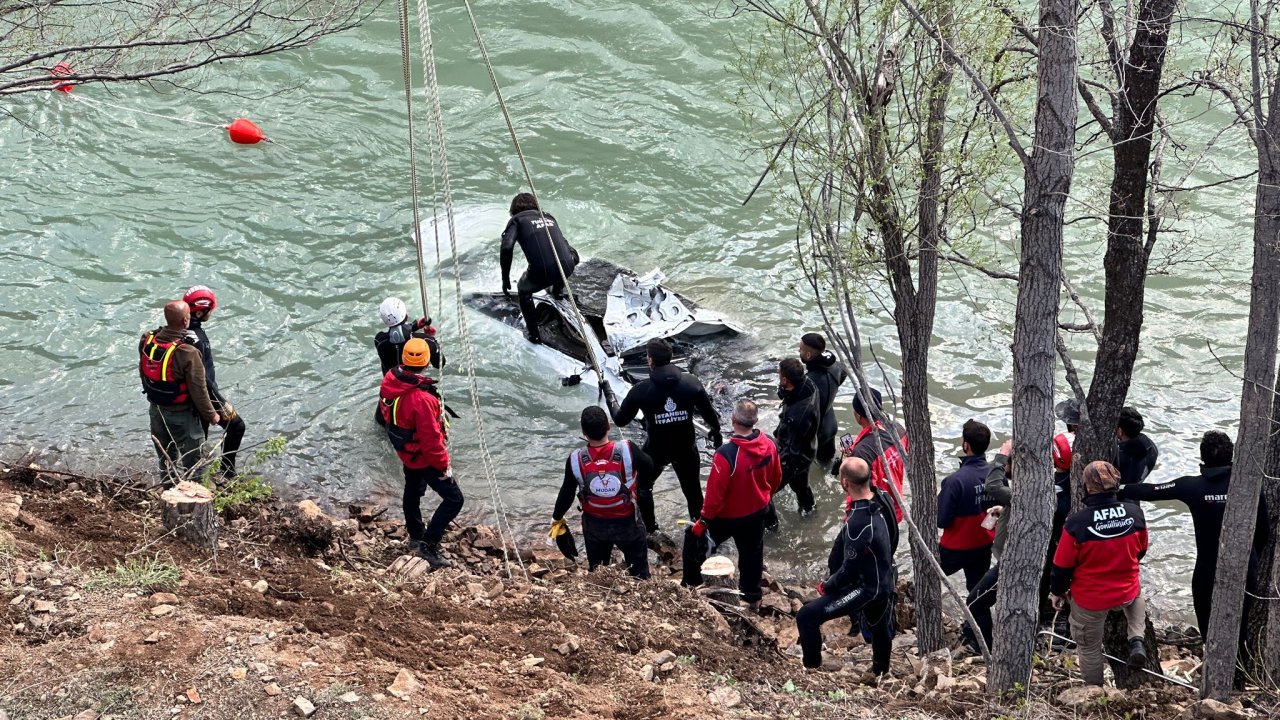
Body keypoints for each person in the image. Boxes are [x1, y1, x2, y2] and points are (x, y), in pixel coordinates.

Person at [1122, 430, 1268, 640]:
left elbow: (1152, 490)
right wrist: (1254, 559)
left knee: (1207, 627)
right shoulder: (1250, 487)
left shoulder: (1192, 486)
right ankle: (1241, 658)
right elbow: (1264, 531)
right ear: (1232, 455)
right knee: (1243, 628)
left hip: (1207, 570)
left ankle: (1213, 651)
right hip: (1246, 567)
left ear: (1202, 457)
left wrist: (1117, 489)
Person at [1049, 461, 1149, 686]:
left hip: (1091, 601)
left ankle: (1095, 691)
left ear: (1087, 487)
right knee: (1137, 597)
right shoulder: (1135, 513)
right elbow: (1141, 551)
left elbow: (1061, 567)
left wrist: (1057, 592)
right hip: (1126, 592)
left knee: (1089, 649)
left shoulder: (1077, 523)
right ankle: (1136, 638)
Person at [796, 457, 895, 675]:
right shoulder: (883, 499)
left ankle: (811, 670)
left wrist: (827, 586)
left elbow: (848, 570)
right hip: (884, 577)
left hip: (868, 588)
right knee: (878, 627)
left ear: (845, 483)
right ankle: (881, 672)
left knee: (806, 616)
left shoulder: (858, 523)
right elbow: (894, 535)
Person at [613, 338, 722, 532]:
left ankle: (651, 530)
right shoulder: (691, 383)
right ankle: (700, 531)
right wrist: (716, 431)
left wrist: (609, 396)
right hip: (686, 447)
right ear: (670, 357)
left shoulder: (641, 390)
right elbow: (709, 414)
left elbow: (620, 420)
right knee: (693, 491)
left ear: (650, 360)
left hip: (656, 450)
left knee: (643, 487)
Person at [683, 400, 782, 607]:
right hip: (757, 512)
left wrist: (703, 522)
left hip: (728, 517)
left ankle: (690, 586)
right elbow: (776, 478)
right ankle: (752, 598)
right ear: (755, 421)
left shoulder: (725, 454)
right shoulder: (770, 444)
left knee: (693, 538)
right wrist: (764, 497)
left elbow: (714, 497)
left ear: (733, 420)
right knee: (752, 553)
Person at [379, 338, 462, 569]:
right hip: (422, 457)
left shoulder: (392, 379)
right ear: (426, 363)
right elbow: (431, 441)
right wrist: (444, 466)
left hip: (406, 452)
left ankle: (416, 535)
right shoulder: (423, 400)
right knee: (454, 499)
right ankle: (428, 546)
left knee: (413, 490)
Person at [552, 406, 654, 578]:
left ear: (584, 432)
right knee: (639, 570)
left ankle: (600, 586)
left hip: (594, 524)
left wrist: (557, 518)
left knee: (598, 570)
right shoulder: (628, 449)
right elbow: (649, 466)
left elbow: (566, 493)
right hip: (628, 522)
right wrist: (640, 486)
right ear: (608, 426)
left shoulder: (575, 459)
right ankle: (640, 581)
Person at [140, 300, 219, 485]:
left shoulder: (147, 339)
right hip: (182, 414)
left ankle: (168, 488)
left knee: (166, 457)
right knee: (195, 461)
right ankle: (196, 493)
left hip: (156, 409)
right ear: (186, 320)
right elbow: (198, 390)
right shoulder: (187, 351)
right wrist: (211, 415)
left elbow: (142, 371)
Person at [182, 285, 246, 481]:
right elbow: (202, 377)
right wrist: (219, 402)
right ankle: (226, 472)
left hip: (188, 396)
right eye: (209, 310)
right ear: (200, 311)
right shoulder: (198, 339)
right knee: (237, 426)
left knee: (200, 437)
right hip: (204, 396)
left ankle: (194, 474)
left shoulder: (181, 332)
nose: (211, 313)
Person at [499, 192, 580, 344]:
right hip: (568, 267)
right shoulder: (548, 217)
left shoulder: (517, 220)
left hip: (543, 273)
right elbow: (563, 243)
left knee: (523, 289)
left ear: (513, 210)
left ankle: (534, 335)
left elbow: (506, 247)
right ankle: (557, 292)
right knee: (568, 256)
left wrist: (505, 279)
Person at [937, 420, 994, 593]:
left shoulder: (954, 481)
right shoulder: (995, 476)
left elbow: (942, 521)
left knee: (929, 577)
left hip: (954, 549)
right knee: (976, 594)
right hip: (983, 545)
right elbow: (998, 513)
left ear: (965, 445)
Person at [838, 387, 908, 523]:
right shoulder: (898, 428)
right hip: (896, 504)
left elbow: (861, 493)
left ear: (858, 416)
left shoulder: (862, 452)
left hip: (879, 515)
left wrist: (848, 517)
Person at [766, 358, 819, 528]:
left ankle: (772, 526)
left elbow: (791, 450)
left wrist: (774, 461)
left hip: (795, 457)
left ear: (785, 380)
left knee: (765, 492)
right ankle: (810, 513)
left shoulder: (798, 416)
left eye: (779, 375)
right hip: (808, 448)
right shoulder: (808, 384)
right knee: (801, 486)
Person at [798, 333, 847, 464]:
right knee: (826, 463)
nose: (799, 351)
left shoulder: (808, 383)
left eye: (801, 349)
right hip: (831, 424)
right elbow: (844, 373)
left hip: (816, 433)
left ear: (808, 355)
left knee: (803, 467)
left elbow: (800, 413)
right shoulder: (836, 366)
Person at [375, 297, 443, 375]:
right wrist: (431, 338)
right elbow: (440, 364)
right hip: (415, 382)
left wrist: (415, 326)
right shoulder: (425, 340)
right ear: (406, 316)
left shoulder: (379, 340)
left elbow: (398, 336)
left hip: (390, 382)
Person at [1113, 406, 1158, 485]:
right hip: (1136, 485)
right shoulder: (1151, 447)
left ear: (1120, 431)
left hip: (1121, 489)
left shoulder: (1119, 457)